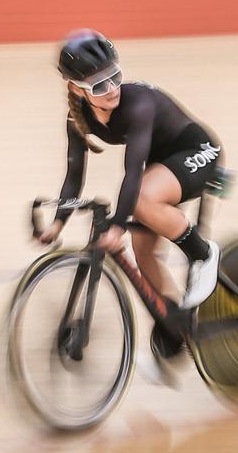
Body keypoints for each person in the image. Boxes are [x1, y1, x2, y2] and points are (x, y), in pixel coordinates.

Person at [36, 29, 223, 316]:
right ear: (76, 89)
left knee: (141, 198)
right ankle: (176, 321)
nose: (111, 88)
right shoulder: (77, 119)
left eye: (115, 76)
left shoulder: (137, 105)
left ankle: (203, 254)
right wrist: (58, 223)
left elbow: (133, 171)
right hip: (162, 166)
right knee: (144, 253)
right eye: (99, 86)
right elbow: (74, 175)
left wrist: (118, 225)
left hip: (197, 151)